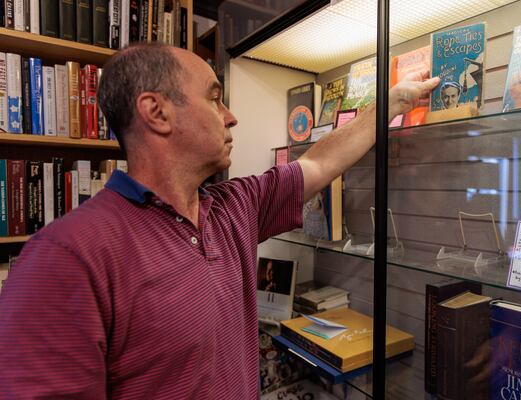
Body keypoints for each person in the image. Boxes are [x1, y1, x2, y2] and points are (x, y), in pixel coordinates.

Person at [0, 43, 439, 399]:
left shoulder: (234, 207)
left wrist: (392, 103)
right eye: (214, 97)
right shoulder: (63, 259)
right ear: (157, 112)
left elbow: (321, 163)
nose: (231, 115)